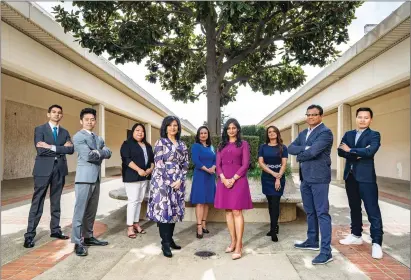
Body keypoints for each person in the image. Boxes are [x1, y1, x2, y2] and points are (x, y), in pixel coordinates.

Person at [288, 104, 333, 265]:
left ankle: (326, 251)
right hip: (305, 178)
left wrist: (301, 155)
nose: (310, 117)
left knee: (322, 213)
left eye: (314, 115)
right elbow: (290, 148)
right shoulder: (304, 133)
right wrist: (304, 148)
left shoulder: (325, 133)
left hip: (319, 178)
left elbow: (313, 152)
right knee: (310, 212)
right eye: (308, 115)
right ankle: (312, 240)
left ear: (321, 116)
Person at [24, 105, 74, 248]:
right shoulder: (40, 129)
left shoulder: (65, 132)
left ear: (61, 115)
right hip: (42, 170)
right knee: (37, 201)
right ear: (48, 114)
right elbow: (40, 150)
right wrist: (61, 149)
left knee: (56, 201)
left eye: (59, 113)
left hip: (60, 170)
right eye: (53, 112)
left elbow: (70, 149)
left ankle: (55, 230)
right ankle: (29, 235)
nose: (56, 114)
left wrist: (51, 147)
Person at [337, 107, 383, 259]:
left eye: (366, 117)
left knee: (372, 210)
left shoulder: (374, 135)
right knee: (354, 208)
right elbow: (340, 151)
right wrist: (358, 152)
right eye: (360, 117)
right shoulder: (348, 134)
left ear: (370, 119)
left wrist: (350, 150)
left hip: (366, 178)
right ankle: (356, 235)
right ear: (356, 118)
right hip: (350, 177)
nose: (362, 120)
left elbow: (371, 152)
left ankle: (377, 243)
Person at [71, 108, 112, 257]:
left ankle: (88, 237)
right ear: (81, 121)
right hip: (84, 179)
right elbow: (88, 156)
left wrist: (98, 152)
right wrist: (101, 152)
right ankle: (77, 242)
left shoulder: (98, 138)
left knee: (91, 212)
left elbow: (109, 152)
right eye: (87, 119)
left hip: (96, 178)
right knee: (80, 211)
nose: (90, 122)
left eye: (92, 119)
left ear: (95, 121)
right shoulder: (78, 137)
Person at [147, 116, 189, 258]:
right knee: (165, 211)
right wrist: (170, 181)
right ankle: (164, 243)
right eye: (170, 125)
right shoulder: (161, 142)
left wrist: (180, 180)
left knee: (174, 211)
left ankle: (170, 239)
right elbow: (158, 164)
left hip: (178, 182)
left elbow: (185, 165)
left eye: (175, 125)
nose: (173, 128)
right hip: (162, 183)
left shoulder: (182, 144)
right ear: (165, 127)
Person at [214, 118, 252, 260]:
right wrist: (223, 178)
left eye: (234, 128)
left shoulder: (243, 144)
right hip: (224, 180)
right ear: (226, 130)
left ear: (237, 129)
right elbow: (218, 164)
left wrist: (233, 178)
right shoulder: (220, 145)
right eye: (229, 128)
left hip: (238, 180)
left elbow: (246, 163)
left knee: (237, 211)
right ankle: (233, 241)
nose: (231, 130)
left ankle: (239, 245)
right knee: (228, 211)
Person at [120, 123, 154, 238]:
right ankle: (129, 227)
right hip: (132, 177)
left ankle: (136, 223)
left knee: (139, 201)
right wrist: (139, 169)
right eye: (137, 130)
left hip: (144, 176)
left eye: (142, 131)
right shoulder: (127, 144)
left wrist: (151, 169)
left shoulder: (147, 145)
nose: (140, 133)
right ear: (133, 132)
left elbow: (152, 160)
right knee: (133, 201)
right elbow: (126, 159)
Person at [257, 126, 288, 242]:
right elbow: (261, 163)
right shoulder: (263, 147)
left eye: (274, 131)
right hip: (267, 178)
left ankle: (274, 231)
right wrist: (273, 174)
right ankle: (274, 226)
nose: (271, 133)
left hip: (279, 178)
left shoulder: (283, 147)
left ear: (277, 133)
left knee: (275, 203)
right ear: (267, 135)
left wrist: (278, 177)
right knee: (270, 203)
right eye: (269, 132)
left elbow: (284, 164)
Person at [190, 126, 216, 239]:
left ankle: (204, 223)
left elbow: (216, 159)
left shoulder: (211, 147)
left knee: (207, 201)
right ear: (198, 135)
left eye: (205, 133)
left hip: (210, 177)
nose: (203, 135)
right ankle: (199, 226)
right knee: (200, 201)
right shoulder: (196, 146)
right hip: (200, 176)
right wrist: (207, 169)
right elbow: (196, 160)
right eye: (201, 133)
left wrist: (214, 168)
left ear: (208, 135)